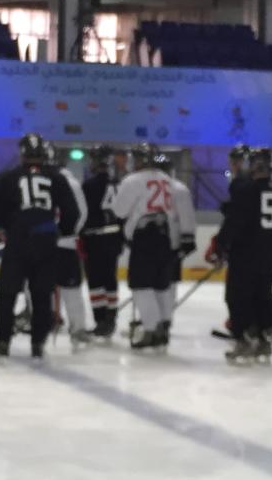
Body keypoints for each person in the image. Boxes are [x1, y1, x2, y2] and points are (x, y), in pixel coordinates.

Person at [0, 132, 80, 360]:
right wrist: (61, 231)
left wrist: (3, 229)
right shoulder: (57, 178)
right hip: (46, 242)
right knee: (41, 294)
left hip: (17, 242)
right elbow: (72, 212)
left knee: (7, 294)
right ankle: (38, 343)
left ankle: (3, 342)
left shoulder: (7, 178)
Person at [113, 143, 195, 351]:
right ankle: (164, 325)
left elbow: (119, 210)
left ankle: (151, 329)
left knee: (141, 285)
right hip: (165, 235)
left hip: (145, 236)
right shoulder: (167, 180)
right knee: (161, 285)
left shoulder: (133, 180)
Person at [210, 147, 272, 361]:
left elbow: (236, 222)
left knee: (237, 297)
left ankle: (243, 339)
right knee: (263, 297)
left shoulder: (247, 189)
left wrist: (220, 246)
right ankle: (263, 340)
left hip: (247, 256)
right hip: (270, 254)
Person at [79, 145, 127, 339]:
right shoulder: (120, 184)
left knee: (96, 281)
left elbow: (83, 214)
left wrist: (80, 235)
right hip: (114, 238)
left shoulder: (89, 185)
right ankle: (111, 318)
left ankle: (100, 320)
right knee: (110, 279)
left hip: (95, 238)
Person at [53, 150, 96, 346]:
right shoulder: (72, 182)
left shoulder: (40, 179)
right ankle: (77, 328)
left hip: (44, 244)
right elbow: (82, 213)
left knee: (39, 287)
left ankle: (43, 322)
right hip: (66, 244)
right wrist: (71, 233)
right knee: (72, 289)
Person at [211, 143, 253, 342]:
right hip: (258, 247)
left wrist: (221, 244)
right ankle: (265, 324)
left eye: (237, 161)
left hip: (244, 248)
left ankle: (241, 327)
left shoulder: (241, 184)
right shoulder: (258, 183)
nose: (234, 165)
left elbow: (236, 220)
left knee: (236, 292)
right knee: (257, 289)